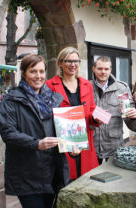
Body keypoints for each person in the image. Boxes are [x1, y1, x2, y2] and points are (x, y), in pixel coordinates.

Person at [0, 54, 70, 208]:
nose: (38, 76)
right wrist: (36, 143)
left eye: (42, 71)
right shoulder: (11, 100)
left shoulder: (53, 99)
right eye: (33, 71)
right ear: (23, 73)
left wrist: (72, 146)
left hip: (52, 171)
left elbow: (62, 132)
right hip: (27, 173)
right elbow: (8, 133)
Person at [46, 47, 99, 180]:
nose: (73, 64)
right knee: (66, 181)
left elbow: (92, 109)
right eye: (68, 61)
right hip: (63, 143)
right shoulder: (50, 85)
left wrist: (96, 118)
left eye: (76, 61)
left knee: (87, 181)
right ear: (60, 63)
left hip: (85, 142)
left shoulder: (87, 84)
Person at [91, 56, 136, 164]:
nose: (103, 72)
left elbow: (129, 109)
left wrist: (134, 113)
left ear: (110, 70)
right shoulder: (87, 87)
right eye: (100, 68)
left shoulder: (121, 88)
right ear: (93, 69)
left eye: (106, 69)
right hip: (92, 145)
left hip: (114, 144)